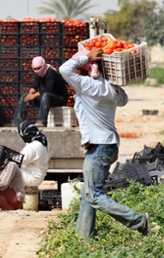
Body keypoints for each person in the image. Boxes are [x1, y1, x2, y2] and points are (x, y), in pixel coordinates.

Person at [59, 48, 151, 240]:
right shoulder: (108, 87)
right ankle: (83, 237)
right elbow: (123, 99)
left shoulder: (87, 85)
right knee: (88, 192)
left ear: (83, 69)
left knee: (95, 195)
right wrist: (111, 78)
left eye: (79, 67)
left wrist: (86, 57)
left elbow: (64, 69)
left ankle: (139, 221)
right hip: (108, 144)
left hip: (100, 147)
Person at [12, 56, 68, 127]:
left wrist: (34, 95)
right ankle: (17, 121)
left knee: (45, 95)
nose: (37, 70)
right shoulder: (39, 74)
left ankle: (41, 121)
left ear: (43, 65)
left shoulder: (51, 72)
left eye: (39, 68)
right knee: (24, 96)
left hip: (59, 98)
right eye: (35, 69)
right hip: (45, 99)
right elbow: (34, 86)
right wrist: (29, 95)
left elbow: (48, 89)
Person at [18, 120, 50, 186]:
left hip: (32, 177)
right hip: (37, 175)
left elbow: (19, 161)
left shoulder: (33, 146)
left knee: (6, 169)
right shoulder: (43, 140)